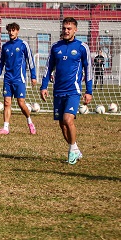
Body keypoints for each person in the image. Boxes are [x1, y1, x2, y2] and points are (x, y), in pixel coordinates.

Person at [40, 17, 92, 165]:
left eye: (69, 28)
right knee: (62, 125)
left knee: (68, 120)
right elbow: (48, 68)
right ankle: (75, 148)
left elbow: (88, 69)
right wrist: (44, 86)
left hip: (73, 90)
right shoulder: (56, 47)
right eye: (64, 28)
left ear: (75, 30)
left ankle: (72, 152)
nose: (66, 31)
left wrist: (89, 91)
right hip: (58, 91)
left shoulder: (82, 47)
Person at [0, 22, 38, 135]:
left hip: (19, 79)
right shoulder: (5, 46)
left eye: (13, 30)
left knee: (21, 103)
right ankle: (5, 128)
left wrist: (33, 76)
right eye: (9, 30)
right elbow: (1, 62)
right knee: (7, 103)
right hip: (8, 79)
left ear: (17, 31)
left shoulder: (23, 44)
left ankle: (30, 122)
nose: (11, 32)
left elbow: (30, 61)